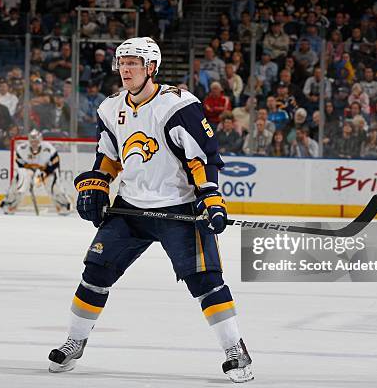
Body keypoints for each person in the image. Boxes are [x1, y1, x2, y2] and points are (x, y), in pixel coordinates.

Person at [48, 37, 253, 383]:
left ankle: (235, 349)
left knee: (205, 281)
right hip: (131, 208)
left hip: (180, 207)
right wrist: (99, 182)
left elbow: (201, 157)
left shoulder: (178, 105)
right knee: (95, 272)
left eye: (133, 63)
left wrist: (212, 199)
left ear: (151, 68)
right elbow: (108, 155)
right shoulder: (110, 108)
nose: (125, 69)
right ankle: (74, 341)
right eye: (122, 63)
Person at [0, 129, 71, 215]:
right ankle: (9, 204)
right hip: (28, 169)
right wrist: (30, 173)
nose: (34, 143)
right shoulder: (22, 149)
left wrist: (46, 172)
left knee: (52, 184)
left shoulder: (49, 148)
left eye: (36, 141)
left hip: (45, 170)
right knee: (21, 180)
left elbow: (56, 162)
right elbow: (19, 163)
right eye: (32, 141)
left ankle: (63, 205)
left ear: (40, 140)